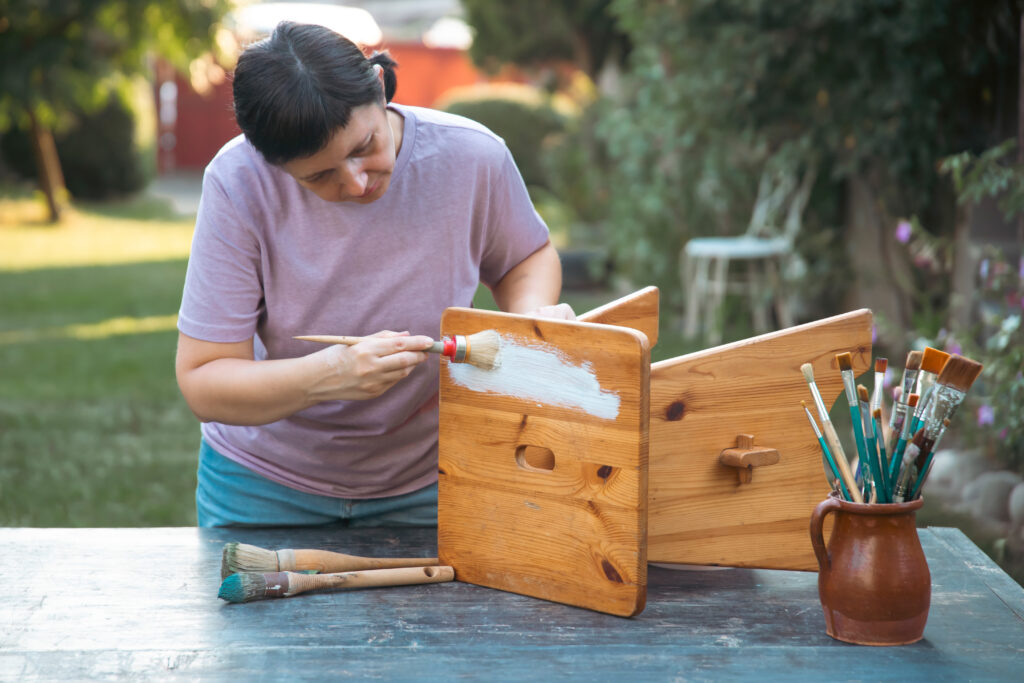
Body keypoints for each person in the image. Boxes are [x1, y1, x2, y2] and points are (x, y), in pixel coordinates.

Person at [175, 21, 573, 528]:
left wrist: (532, 322)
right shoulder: (238, 182)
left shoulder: (472, 156)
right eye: (320, 176)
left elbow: (525, 256)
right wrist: (329, 376)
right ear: (272, 164)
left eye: (364, 147)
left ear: (381, 89)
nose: (358, 183)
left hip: (434, 477)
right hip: (262, 486)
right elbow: (204, 380)